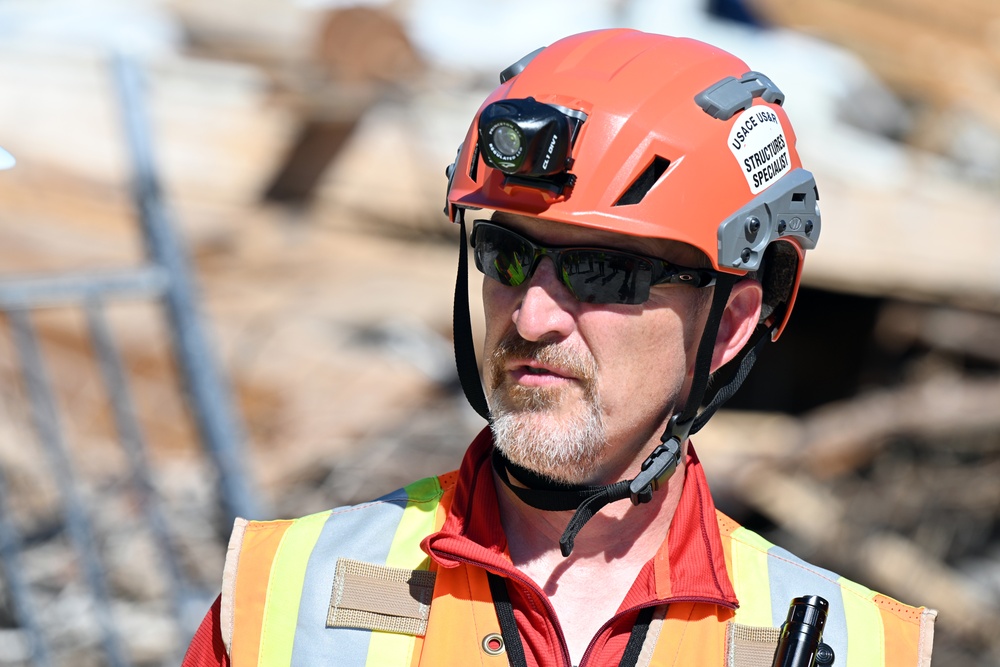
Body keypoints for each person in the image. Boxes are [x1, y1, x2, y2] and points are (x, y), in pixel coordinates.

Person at [183, 29, 935, 666]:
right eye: (507, 255)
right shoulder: (279, 600)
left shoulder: (864, 646)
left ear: (733, 321)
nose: (534, 313)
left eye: (602, 272)